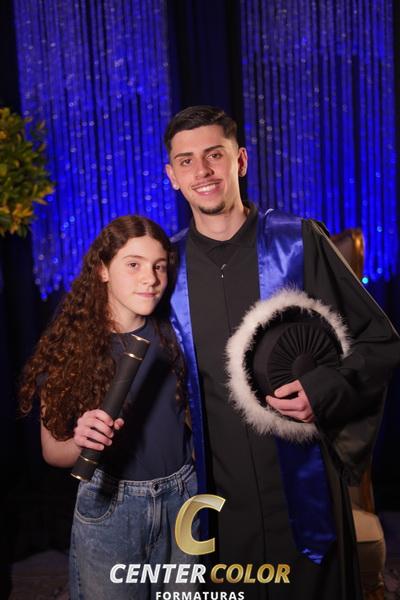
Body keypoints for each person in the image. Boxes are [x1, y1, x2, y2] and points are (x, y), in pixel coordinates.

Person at [164, 105, 400, 599]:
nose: (202, 171)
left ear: (240, 161)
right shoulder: (166, 268)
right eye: (186, 161)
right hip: (219, 497)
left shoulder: (296, 243)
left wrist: (325, 389)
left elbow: (379, 341)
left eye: (214, 155)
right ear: (172, 176)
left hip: (305, 488)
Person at [19, 215, 197, 600]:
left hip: (183, 501)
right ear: (102, 270)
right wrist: (81, 441)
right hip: (111, 506)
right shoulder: (69, 346)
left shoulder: (177, 331)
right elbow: (53, 451)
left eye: (159, 266)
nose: (150, 278)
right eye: (133, 264)